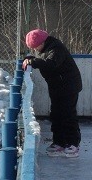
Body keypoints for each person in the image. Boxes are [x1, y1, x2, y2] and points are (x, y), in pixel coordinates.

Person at [23, 29, 83, 158]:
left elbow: (51, 63)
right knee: (56, 114)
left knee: (68, 114)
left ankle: (73, 143)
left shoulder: (56, 48)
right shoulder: (44, 49)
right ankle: (59, 142)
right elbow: (41, 58)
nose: (36, 50)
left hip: (69, 86)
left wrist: (34, 62)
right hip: (57, 86)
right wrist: (30, 58)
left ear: (42, 42)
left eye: (36, 47)